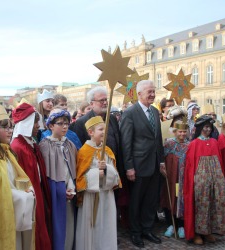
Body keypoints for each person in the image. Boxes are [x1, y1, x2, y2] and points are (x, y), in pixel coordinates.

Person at [0, 102, 35, 250]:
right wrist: (23, 196)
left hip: (16, 208)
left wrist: (28, 189)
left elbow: (16, 178)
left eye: (11, 127)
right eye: (5, 127)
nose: (10, 131)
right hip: (5, 211)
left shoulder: (8, 151)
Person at [120, 80, 164, 247]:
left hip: (154, 165)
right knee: (136, 200)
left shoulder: (154, 111)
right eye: (149, 92)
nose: (152, 94)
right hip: (138, 166)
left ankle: (147, 229)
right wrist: (129, 167)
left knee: (151, 200)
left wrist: (161, 161)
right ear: (139, 94)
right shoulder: (130, 113)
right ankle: (135, 232)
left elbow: (158, 139)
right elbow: (126, 142)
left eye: (153, 91)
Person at [184, 115, 225, 245]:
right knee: (201, 204)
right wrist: (193, 179)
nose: (208, 130)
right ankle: (197, 233)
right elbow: (189, 165)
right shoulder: (194, 144)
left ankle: (209, 230)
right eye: (205, 127)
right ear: (200, 128)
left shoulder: (214, 142)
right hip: (200, 179)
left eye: (209, 127)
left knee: (213, 202)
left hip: (215, 178)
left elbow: (220, 161)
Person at [11, 103, 52, 250]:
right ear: (26, 124)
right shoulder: (18, 146)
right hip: (30, 194)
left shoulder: (31, 143)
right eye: (34, 122)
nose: (37, 126)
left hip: (38, 191)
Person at [76, 116, 121, 250]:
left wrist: (107, 169)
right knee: (92, 225)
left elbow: (116, 177)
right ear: (91, 132)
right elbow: (80, 179)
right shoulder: (84, 152)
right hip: (91, 197)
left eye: (105, 130)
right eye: (101, 129)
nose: (104, 132)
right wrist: (96, 174)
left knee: (106, 225)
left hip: (106, 195)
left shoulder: (107, 150)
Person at [39, 109, 77, 250]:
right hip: (54, 192)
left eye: (66, 123)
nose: (64, 127)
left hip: (70, 190)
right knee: (57, 225)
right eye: (60, 123)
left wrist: (71, 186)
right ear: (51, 126)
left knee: (70, 224)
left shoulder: (70, 144)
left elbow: (72, 169)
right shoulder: (45, 146)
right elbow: (46, 175)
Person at [160, 120, 189, 239]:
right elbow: (162, 158)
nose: (182, 134)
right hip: (171, 177)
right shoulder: (169, 144)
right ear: (175, 132)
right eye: (180, 131)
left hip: (183, 178)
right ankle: (170, 224)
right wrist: (162, 168)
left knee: (181, 199)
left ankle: (181, 225)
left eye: (184, 132)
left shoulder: (189, 144)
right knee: (169, 197)